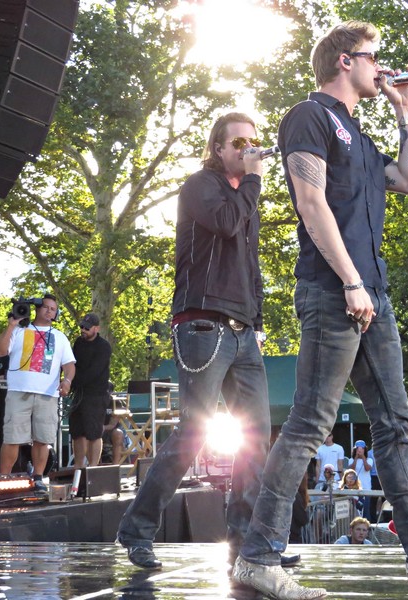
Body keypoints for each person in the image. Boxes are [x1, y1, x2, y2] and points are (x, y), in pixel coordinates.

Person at [233, 21, 408, 599]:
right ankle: (257, 556)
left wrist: (405, 111)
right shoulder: (309, 116)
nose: (382, 68)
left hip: (372, 294)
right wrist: (351, 281)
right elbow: (310, 202)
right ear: (344, 60)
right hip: (335, 290)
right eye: (374, 58)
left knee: (397, 428)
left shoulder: (359, 134)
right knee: (309, 423)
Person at [117, 112, 273, 573]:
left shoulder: (245, 196)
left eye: (254, 141)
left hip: (243, 331)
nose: (249, 148)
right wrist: (254, 181)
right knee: (194, 432)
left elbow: (249, 263)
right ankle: (137, 529)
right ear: (218, 149)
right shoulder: (201, 186)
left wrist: (257, 320)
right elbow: (225, 223)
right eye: (239, 142)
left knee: (256, 436)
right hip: (203, 325)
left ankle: (246, 542)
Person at [0, 294, 76, 495]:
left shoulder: (60, 337)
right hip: (18, 392)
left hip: (47, 394)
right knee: (12, 438)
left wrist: (67, 381)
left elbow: (69, 365)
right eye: (46, 307)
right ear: (37, 308)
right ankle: (4, 479)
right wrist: (11, 325)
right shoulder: (19, 330)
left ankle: (38, 478)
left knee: (43, 439)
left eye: (53, 309)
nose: (49, 311)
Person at [68, 313, 112, 468]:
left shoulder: (104, 346)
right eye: (82, 327)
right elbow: (72, 363)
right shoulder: (78, 343)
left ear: (96, 328)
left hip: (96, 394)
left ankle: (93, 467)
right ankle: (78, 466)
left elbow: (95, 371)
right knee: (77, 431)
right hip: (79, 393)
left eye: (87, 328)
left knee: (94, 432)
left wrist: (72, 381)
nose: (83, 330)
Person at [346, 440, 373, 518]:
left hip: (366, 489)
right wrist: (356, 458)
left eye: (362, 449)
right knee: (355, 511)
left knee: (366, 510)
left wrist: (363, 457)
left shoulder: (369, 460)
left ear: (365, 450)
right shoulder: (351, 460)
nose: (360, 450)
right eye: (358, 449)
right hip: (355, 489)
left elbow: (367, 468)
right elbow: (352, 469)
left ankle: (367, 524)